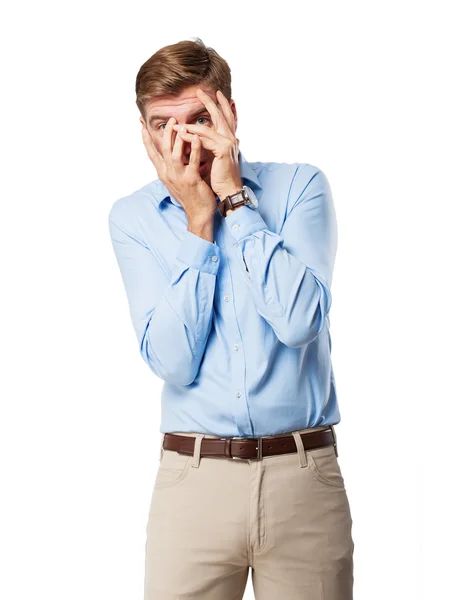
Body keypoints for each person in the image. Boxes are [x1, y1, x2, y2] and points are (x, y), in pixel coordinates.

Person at [108, 37, 354, 600]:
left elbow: (299, 321)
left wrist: (234, 200)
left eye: (198, 118)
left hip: (303, 480)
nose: (181, 140)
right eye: (162, 124)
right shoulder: (134, 219)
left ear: (230, 114)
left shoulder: (299, 188)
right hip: (192, 483)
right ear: (145, 134)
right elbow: (172, 362)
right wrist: (199, 222)